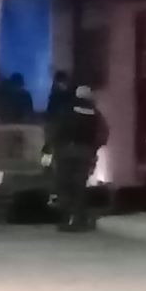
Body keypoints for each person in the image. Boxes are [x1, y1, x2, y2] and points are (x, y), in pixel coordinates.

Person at [50, 85, 108, 232]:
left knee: (64, 185)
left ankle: (65, 219)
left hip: (66, 152)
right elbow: (103, 133)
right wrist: (93, 148)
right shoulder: (95, 113)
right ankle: (79, 219)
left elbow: (57, 130)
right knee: (79, 186)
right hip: (85, 153)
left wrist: (56, 147)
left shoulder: (67, 110)